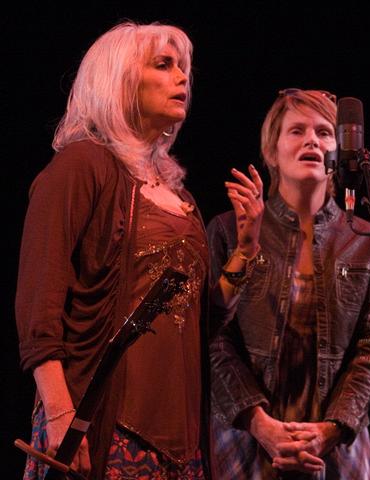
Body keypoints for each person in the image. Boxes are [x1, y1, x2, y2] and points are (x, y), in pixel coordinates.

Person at [15, 21, 261, 479]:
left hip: (179, 437)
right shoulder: (82, 165)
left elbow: (199, 322)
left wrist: (244, 251)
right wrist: (59, 414)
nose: (183, 78)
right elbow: (38, 304)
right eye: (164, 66)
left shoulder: (179, 196)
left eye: (184, 67)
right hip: (104, 424)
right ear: (120, 80)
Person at [207, 88, 370, 479]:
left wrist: (331, 429)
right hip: (245, 438)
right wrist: (260, 424)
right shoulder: (227, 230)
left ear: (337, 152)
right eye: (296, 131)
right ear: (272, 151)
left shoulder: (364, 238)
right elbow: (213, 338)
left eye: (324, 132)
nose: (312, 140)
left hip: (335, 445)